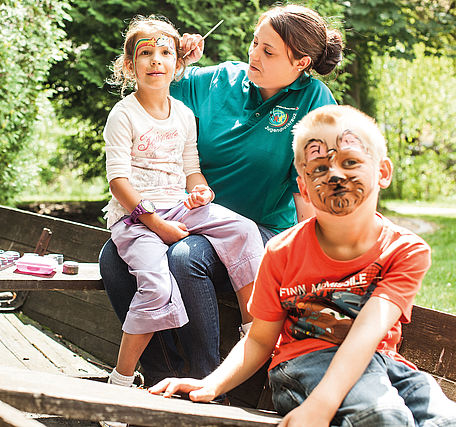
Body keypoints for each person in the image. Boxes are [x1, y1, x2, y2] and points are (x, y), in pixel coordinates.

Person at [150, 105, 456, 426]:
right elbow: (259, 338)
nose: (335, 175)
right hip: (304, 364)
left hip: (381, 362)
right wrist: (212, 383)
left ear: (382, 171)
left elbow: (368, 333)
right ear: (304, 186)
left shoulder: (404, 250)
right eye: (320, 168)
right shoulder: (282, 251)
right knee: (382, 417)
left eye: (350, 162)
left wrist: (323, 406)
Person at [100, 4, 344, 386]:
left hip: (258, 229)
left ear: (301, 63)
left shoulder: (314, 101)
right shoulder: (219, 81)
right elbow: (153, 88)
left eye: (268, 51)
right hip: (189, 214)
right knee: (113, 256)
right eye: (254, 42)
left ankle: (209, 383)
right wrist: (178, 58)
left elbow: (314, 189)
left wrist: (313, 259)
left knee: (185, 258)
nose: (253, 54)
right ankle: (161, 375)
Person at [102, 15, 265, 389]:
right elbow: (118, 181)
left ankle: (252, 331)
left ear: (177, 65)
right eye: (146, 53)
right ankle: (121, 381)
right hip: (134, 218)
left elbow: (192, 169)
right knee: (157, 288)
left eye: (165, 53)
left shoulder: (185, 115)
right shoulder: (123, 115)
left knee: (242, 229)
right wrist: (155, 224)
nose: (156, 60)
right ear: (130, 66)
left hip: (179, 206)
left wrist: (201, 191)